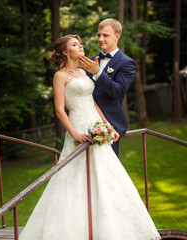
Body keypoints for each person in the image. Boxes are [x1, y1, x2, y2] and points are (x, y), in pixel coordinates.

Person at [19, 34, 160, 240]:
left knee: (107, 175)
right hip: (78, 126)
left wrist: (107, 125)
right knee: (74, 177)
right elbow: (59, 110)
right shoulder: (60, 76)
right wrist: (75, 133)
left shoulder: (85, 71)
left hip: (95, 125)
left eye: (80, 43)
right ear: (66, 52)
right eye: (75, 45)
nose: (81, 46)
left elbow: (93, 103)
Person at [78, 18, 136, 157]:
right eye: (99, 35)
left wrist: (98, 72)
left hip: (109, 125)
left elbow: (117, 91)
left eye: (105, 35)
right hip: (84, 122)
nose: (101, 39)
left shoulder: (127, 63)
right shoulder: (89, 61)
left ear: (117, 36)